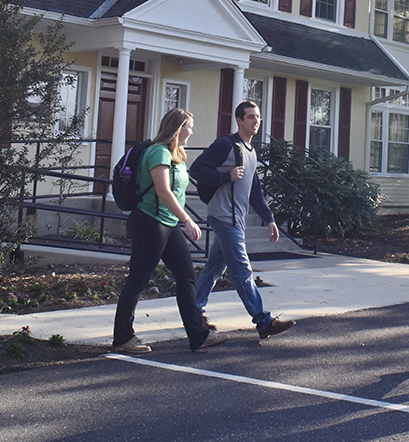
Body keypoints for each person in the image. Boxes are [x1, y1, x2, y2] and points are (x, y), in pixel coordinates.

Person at [112, 108, 229, 353]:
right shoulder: (158, 152)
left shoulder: (177, 154)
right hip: (149, 222)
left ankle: (198, 334)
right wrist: (187, 220)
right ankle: (123, 338)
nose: (192, 131)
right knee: (138, 280)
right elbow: (163, 191)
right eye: (189, 126)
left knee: (187, 277)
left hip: (168, 223)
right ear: (177, 128)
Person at [191, 101, 295, 340]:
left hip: (237, 218)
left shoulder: (250, 151)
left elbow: (255, 189)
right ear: (239, 120)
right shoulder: (225, 145)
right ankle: (263, 321)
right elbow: (196, 169)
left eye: (257, 117)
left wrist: (269, 218)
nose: (255, 121)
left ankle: (194, 312)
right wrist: (224, 176)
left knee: (214, 268)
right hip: (224, 216)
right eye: (250, 117)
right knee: (242, 270)